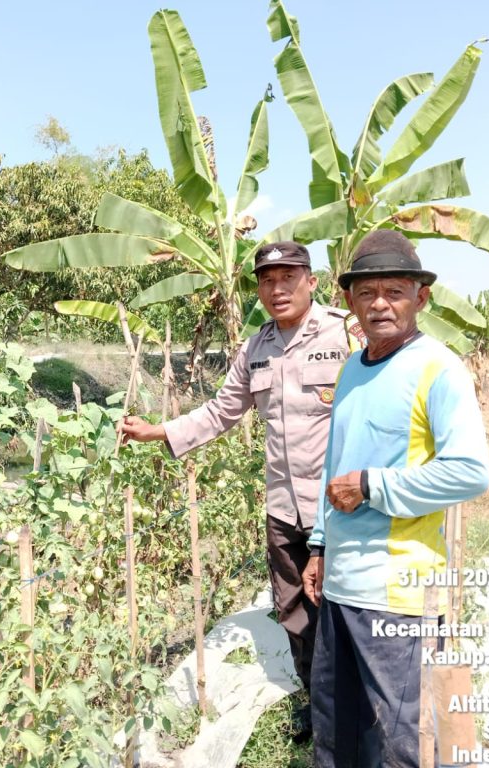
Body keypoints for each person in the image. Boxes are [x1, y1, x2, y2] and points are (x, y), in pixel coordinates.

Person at [121, 241, 354, 741]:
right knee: (294, 611)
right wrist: (158, 431)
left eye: (288, 278)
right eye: (267, 280)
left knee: (346, 608)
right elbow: (222, 411)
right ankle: (317, 704)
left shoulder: (345, 333)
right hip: (283, 508)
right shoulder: (255, 348)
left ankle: (356, 707)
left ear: (311, 282)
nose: (277, 289)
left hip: (340, 506)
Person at [302, 230, 489, 767]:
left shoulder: (439, 369)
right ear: (349, 300)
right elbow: (335, 463)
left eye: (394, 292)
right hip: (341, 587)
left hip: (400, 597)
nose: (379, 304)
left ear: (420, 298)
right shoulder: (351, 368)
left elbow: (470, 474)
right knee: (338, 731)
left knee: (400, 742)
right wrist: (319, 544)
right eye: (367, 292)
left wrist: (372, 485)